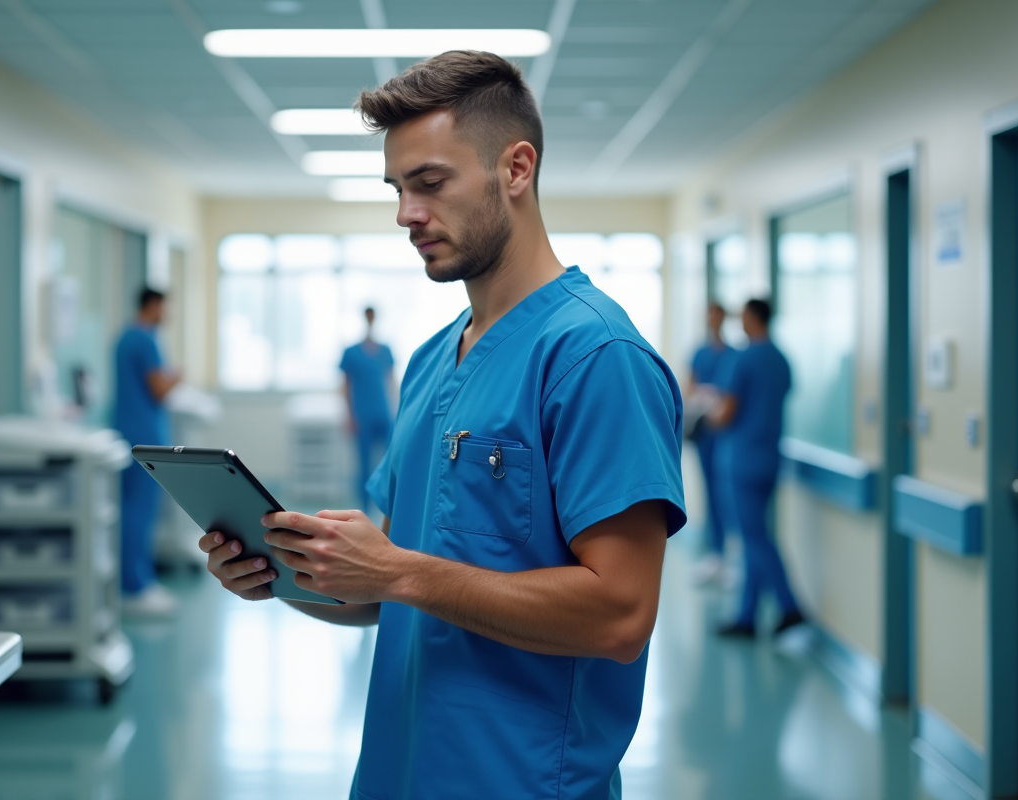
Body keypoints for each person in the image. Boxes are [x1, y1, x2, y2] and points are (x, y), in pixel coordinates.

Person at [200, 51, 686, 799]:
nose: (406, 214)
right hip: (397, 773)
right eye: (397, 189)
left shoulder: (596, 357)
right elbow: (392, 585)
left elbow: (620, 615)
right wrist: (286, 576)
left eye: (429, 183)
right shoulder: (432, 360)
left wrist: (398, 570)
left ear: (516, 169)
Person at [711, 298, 806, 637]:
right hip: (768, 459)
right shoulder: (781, 359)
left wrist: (707, 413)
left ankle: (790, 605)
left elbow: (725, 414)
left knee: (754, 538)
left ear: (752, 318)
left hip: (741, 461)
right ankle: (747, 617)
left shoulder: (745, 358)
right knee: (756, 534)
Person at [113, 288, 181, 618]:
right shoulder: (145, 340)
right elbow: (159, 390)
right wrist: (177, 377)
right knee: (140, 512)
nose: (167, 314)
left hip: (127, 432)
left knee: (130, 510)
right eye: (165, 307)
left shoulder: (124, 337)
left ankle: (132, 580)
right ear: (152, 305)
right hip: (145, 436)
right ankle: (135, 585)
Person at [687, 302, 736, 584]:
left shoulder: (733, 355)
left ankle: (728, 555)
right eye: (709, 315)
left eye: (717, 315)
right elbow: (690, 387)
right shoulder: (699, 354)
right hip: (705, 434)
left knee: (726, 494)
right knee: (710, 493)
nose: (713, 320)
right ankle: (716, 553)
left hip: (725, 435)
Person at [339, 307, 395, 513]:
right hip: (362, 416)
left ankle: (389, 507)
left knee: (391, 461)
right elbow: (345, 386)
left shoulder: (385, 350)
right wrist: (349, 415)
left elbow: (391, 382)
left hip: (384, 414)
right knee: (364, 466)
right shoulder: (351, 352)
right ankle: (363, 510)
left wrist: (397, 410)